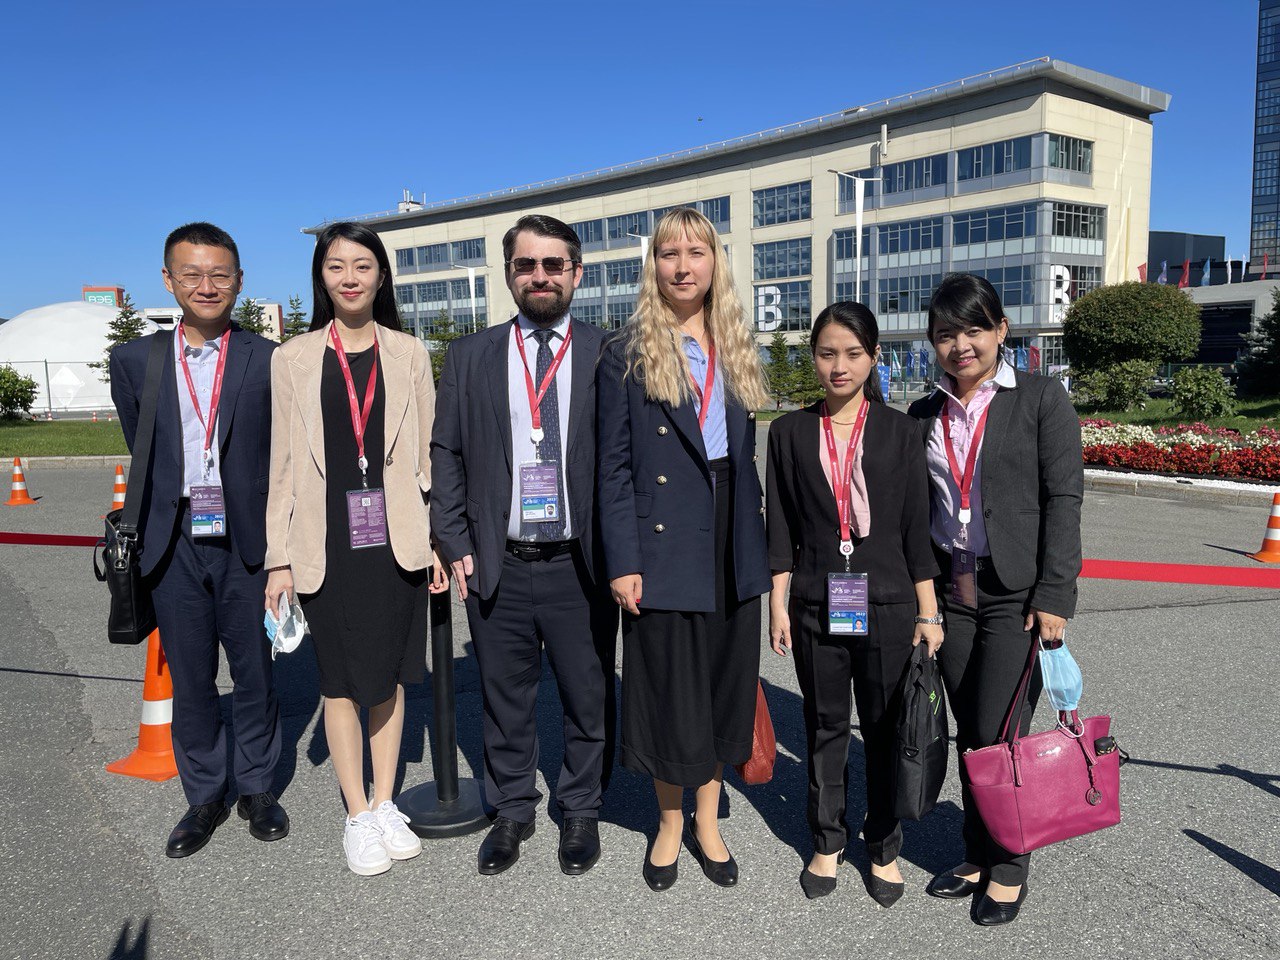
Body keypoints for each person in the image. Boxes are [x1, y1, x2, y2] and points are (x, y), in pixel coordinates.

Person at [430, 214, 618, 877]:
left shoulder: (607, 351)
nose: (539, 276)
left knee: (586, 695)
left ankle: (581, 808)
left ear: (577, 273)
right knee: (503, 697)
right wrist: (452, 538)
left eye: (553, 265)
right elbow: (446, 453)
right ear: (509, 272)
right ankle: (511, 808)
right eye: (525, 265)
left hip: (580, 564)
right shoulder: (470, 356)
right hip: (497, 561)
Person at [596, 207, 770, 892]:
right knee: (670, 691)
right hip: (662, 535)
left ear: (714, 262)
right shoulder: (627, 351)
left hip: (730, 530)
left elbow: (745, 458)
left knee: (724, 686)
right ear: (654, 265)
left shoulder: (735, 341)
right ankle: (669, 823)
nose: (683, 265)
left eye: (696, 251)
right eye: (670, 253)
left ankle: (707, 820)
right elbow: (613, 467)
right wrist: (624, 559)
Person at [264, 221, 445, 877]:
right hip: (327, 542)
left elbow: (429, 456)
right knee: (340, 681)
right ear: (321, 275)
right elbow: (282, 464)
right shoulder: (293, 359)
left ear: (380, 275)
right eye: (336, 265)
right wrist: (277, 557)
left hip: (396, 539)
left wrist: (439, 542)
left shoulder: (410, 353)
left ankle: (386, 799)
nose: (349, 277)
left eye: (362, 265)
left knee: (391, 677)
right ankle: (356, 814)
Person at [908, 273, 1083, 925]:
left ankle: (1010, 867)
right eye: (947, 332)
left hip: (1016, 593)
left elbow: (1065, 499)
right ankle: (978, 853)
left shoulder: (1041, 399)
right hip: (950, 591)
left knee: (1000, 733)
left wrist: (1055, 592)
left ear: (1001, 331)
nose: (961, 344)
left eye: (975, 329)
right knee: (968, 735)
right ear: (933, 341)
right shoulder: (924, 414)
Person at [109, 222, 287, 858]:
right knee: (190, 676)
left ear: (239, 281)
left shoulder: (267, 358)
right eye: (192, 275)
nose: (207, 286)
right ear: (168, 280)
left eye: (220, 275)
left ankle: (259, 786)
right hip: (172, 537)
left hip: (247, 538)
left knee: (255, 670)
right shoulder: (136, 360)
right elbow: (143, 445)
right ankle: (204, 793)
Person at [766, 302, 941, 906]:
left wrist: (928, 612)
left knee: (887, 728)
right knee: (824, 727)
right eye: (826, 353)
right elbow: (781, 527)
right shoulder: (787, 432)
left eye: (853, 353)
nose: (838, 366)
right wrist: (778, 604)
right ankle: (826, 838)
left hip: (890, 602)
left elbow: (917, 531)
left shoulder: (901, 431)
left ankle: (883, 844)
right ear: (813, 356)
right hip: (817, 599)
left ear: (873, 358)